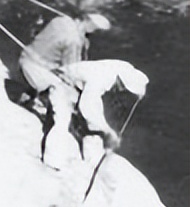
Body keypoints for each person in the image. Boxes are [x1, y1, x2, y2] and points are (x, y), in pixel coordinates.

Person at [19, 12, 127, 166]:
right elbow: (71, 72)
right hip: (35, 72)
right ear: (90, 28)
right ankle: (53, 159)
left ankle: (28, 95)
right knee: (64, 105)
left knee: (54, 69)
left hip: (25, 58)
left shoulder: (61, 20)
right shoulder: (74, 41)